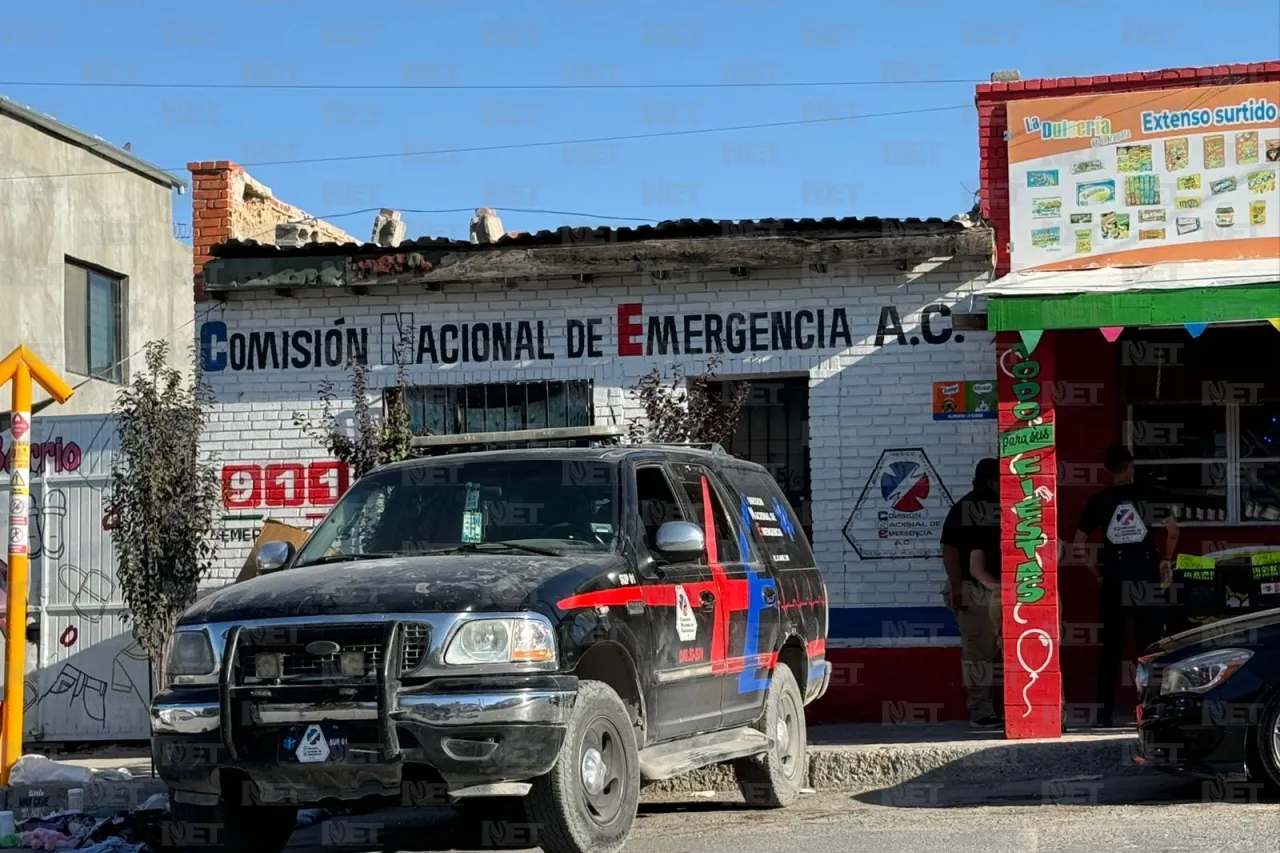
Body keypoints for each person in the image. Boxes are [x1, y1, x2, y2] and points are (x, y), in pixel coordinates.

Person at [1073, 443, 1180, 728]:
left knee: (1110, 649)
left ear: (1108, 470)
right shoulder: (1151, 494)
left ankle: (1104, 715)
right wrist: (1166, 561)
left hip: (1114, 578)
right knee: (1151, 647)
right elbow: (1172, 530)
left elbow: (1078, 543)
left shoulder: (1100, 500)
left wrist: (1097, 572)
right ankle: (1153, 710)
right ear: (1131, 467)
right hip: (1146, 575)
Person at [940, 458, 1003, 728]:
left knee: (997, 651)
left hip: (998, 590)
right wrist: (957, 587)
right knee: (979, 652)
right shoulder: (966, 509)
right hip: (973, 590)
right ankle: (980, 712)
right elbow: (950, 549)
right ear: (991, 481)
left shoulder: (1003, 506)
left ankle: (999, 709)